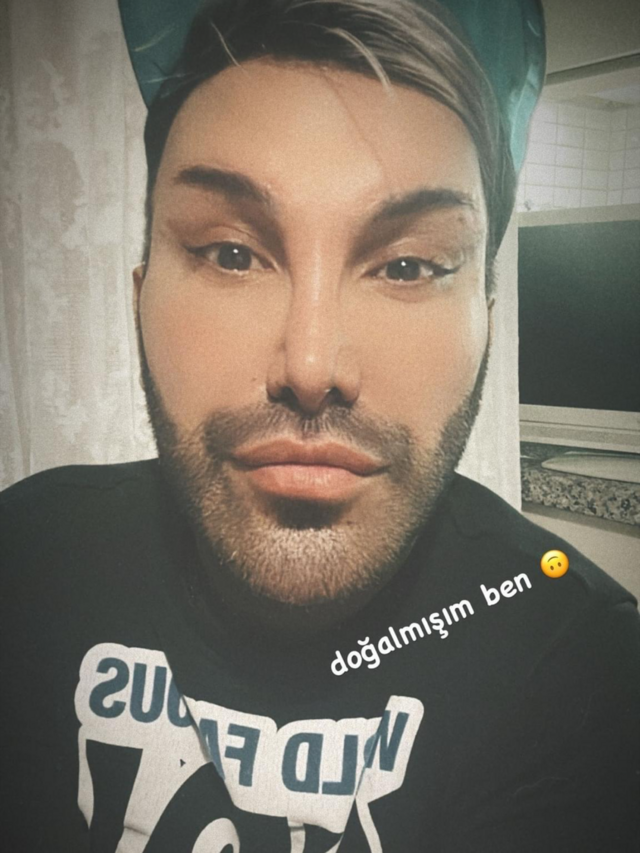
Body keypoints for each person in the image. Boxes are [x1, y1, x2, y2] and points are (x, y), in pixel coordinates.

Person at [1, 0, 638, 850]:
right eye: (232, 254)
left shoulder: (582, 667)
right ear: (140, 295)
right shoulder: (26, 562)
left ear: (488, 319)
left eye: (407, 265)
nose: (309, 365)